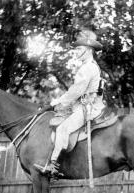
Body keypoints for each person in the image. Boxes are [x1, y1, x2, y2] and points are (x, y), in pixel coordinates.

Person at [34, 29, 105, 176]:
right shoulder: (90, 66)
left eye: (79, 49)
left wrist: (56, 103)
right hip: (81, 105)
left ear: (88, 50)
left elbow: (76, 91)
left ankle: (53, 166)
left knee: (62, 129)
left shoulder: (88, 68)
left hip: (86, 108)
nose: (76, 52)